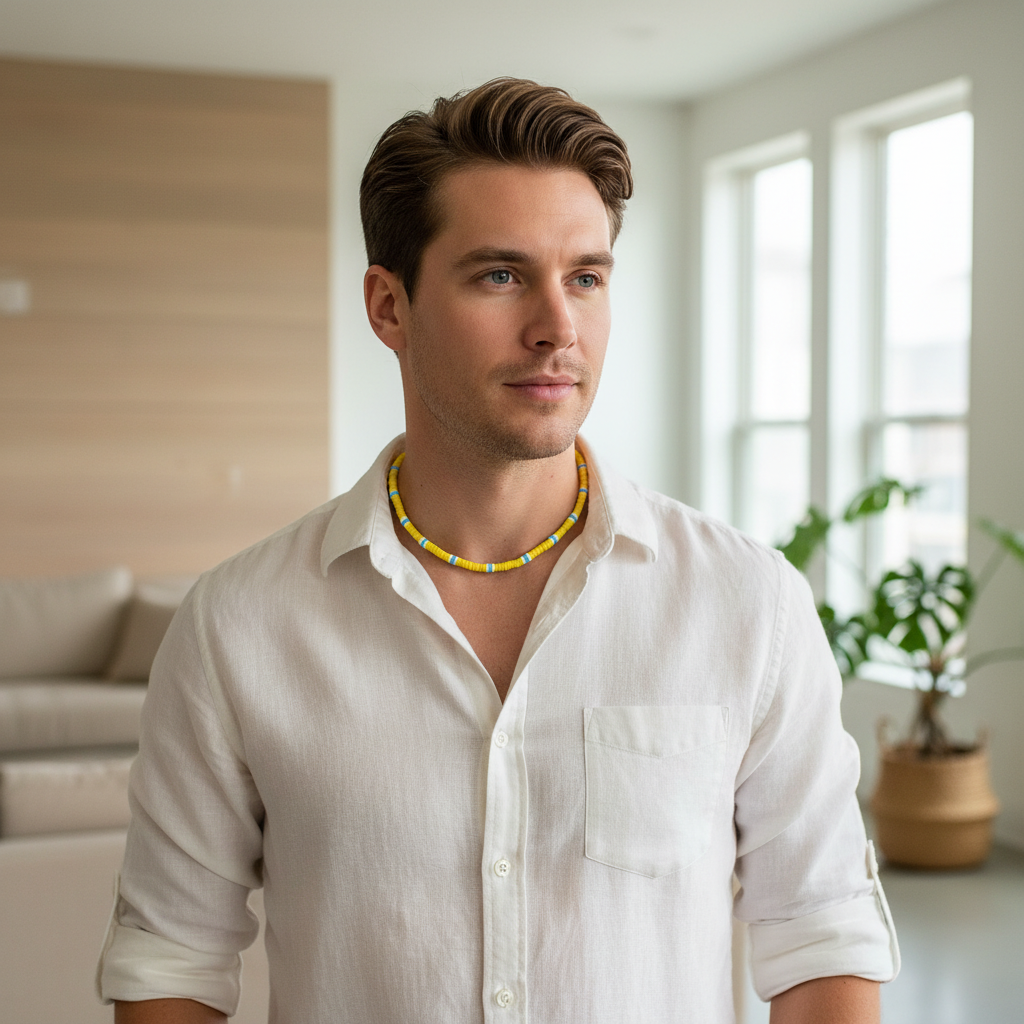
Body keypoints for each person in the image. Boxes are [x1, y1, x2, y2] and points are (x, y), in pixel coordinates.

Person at [99, 78, 899, 1023]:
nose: (558, 327)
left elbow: (822, 936)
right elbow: (172, 960)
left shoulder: (747, 604)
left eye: (586, 278)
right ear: (389, 307)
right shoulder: (239, 626)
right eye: (501, 276)